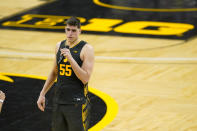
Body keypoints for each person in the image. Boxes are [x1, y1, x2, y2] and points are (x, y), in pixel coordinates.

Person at [37, 16, 94, 131]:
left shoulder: (86, 49)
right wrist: (42, 94)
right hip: (59, 100)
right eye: (68, 30)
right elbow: (54, 72)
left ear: (80, 31)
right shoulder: (59, 45)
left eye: (73, 30)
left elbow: (85, 78)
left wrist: (71, 59)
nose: (70, 33)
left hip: (76, 103)